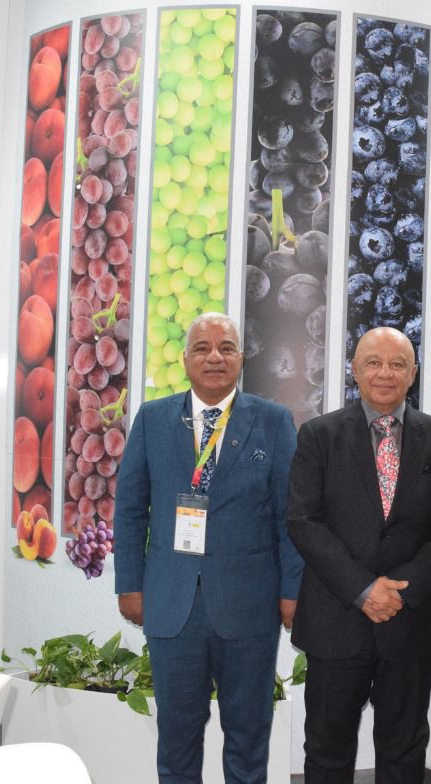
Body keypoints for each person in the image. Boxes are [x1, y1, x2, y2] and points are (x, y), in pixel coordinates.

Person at [114, 312, 303, 784]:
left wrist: (292, 592)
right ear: (184, 360)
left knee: (248, 735)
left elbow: (290, 517)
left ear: (242, 358)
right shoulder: (153, 419)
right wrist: (129, 584)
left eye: (226, 348)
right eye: (202, 348)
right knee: (177, 737)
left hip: (250, 605)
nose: (214, 357)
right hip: (171, 603)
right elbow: (131, 510)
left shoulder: (274, 422)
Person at [288, 326, 431, 784]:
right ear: (355, 369)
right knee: (327, 751)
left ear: (413, 373)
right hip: (336, 620)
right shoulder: (318, 435)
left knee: (404, 750)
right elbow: (303, 521)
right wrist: (363, 589)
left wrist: (401, 591)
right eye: (373, 362)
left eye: (397, 364)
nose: (385, 373)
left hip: (410, 622)